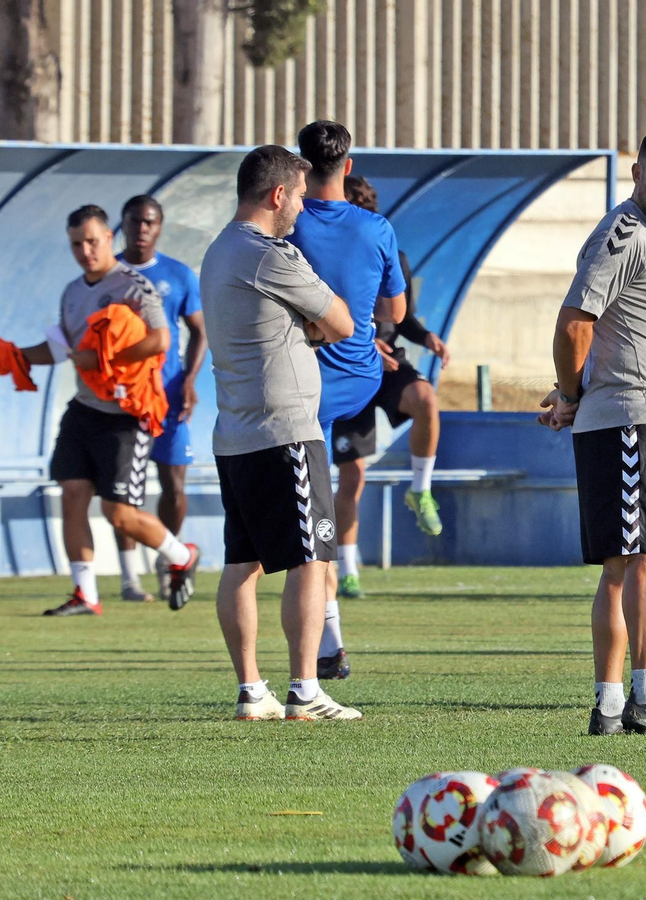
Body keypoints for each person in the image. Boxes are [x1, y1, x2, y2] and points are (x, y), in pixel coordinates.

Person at [539, 125, 646, 736]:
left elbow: (605, 333)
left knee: (622, 567)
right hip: (633, 420)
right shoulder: (626, 234)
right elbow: (574, 324)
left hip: (629, 418)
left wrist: (574, 391)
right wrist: (572, 393)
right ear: (638, 173)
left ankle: (611, 706)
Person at [202, 144, 360, 720]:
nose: (301, 205)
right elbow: (341, 321)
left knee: (241, 564)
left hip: (236, 432)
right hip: (285, 431)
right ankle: (305, 690)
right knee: (312, 559)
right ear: (276, 195)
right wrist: (309, 324)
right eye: (298, 195)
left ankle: (252, 691)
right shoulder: (268, 254)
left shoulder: (219, 249)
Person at [13, 205, 202, 617]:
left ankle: (181, 554)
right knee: (72, 494)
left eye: (92, 241)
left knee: (119, 514)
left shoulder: (132, 286)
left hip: (126, 414)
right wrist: (12, 356)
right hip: (84, 409)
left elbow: (160, 340)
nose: (85, 251)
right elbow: (64, 349)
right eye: (76, 244)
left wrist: (104, 360)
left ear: (108, 238)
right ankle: (85, 594)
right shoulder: (72, 291)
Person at [285, 120, 409, 683]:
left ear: (301, 167)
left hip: (304, 388)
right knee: (335, 501)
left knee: (308, 524)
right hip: (360, 381)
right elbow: (395, 312)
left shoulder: (287, 224)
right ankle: (331, 640)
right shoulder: (375, 227)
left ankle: (329, 644)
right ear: (349, 166)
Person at [330, 175, 451, 605]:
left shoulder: (389, 251)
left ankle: (420, 488)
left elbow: (401, 317)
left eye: (361, 205)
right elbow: (321, 315)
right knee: (353, 476)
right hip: (346, 365)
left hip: (387, 364)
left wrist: (426, 337)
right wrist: (362, 343)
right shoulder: (325, 252)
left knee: (425, 399)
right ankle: (346, 570)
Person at [112, 195, 206, 605]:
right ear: (123, 224)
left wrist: (189, 380)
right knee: (122, 494)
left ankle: (169, 561)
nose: (142, 228)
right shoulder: (108, 273)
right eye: (135, 221)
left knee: (174, 486)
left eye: (149, 221)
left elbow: (200, 331)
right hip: (122, 398)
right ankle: (128, 580)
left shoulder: (178, 275)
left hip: (167, 397)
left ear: (159, 226)